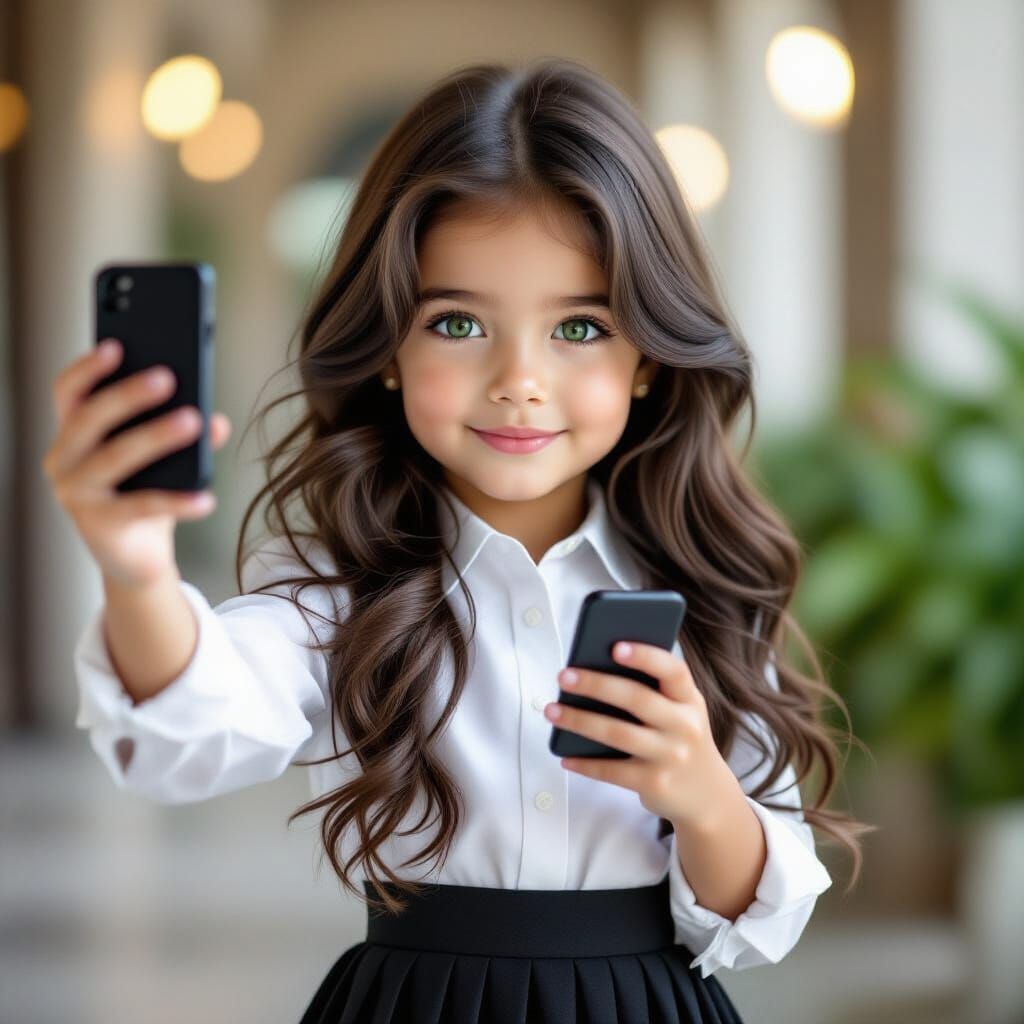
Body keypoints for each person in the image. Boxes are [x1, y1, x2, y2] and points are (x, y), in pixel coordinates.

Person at [44, 57, 870, 1024]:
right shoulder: (337, 583)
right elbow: (193, 730)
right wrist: (135, 567)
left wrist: (701, 793)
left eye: (580, 328)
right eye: (459, 321)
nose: (519, 380)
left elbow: (759, 921)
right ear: (389, 346)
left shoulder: (701, 584)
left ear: (648, 356)